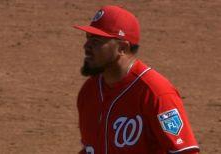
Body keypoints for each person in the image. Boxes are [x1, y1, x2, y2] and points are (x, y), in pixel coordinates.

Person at [74, 5, 200, 154]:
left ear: (122, 48)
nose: (86, 46)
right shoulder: (89, 92)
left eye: (96, 41)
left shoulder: (155, 92)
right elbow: (91, 148)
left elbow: (185, 152)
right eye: (88, 38)